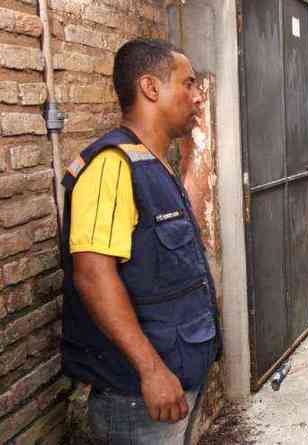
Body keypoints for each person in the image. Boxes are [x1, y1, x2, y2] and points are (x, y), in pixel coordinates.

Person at [60, 38, 221, 444]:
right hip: (138, 397)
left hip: (174, 380)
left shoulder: (154, 163)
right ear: (151, 88)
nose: (198, 96)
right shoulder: (111, 166)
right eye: (188, 84)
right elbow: (94, 277)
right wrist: (151, 371)